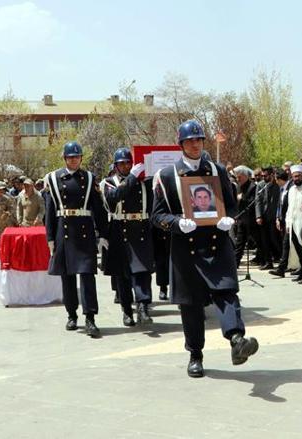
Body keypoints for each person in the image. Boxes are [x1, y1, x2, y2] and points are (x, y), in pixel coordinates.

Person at [152, 119, 258, 378]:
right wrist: (176, 223)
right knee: (190, 305)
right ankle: (195, 354)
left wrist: (229, 218)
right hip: (185, 246)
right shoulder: (167, 176)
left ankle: (236, 340)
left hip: (216, 242)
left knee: (227, 292)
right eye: (190, 141)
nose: (195, 145)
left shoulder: (217, 171)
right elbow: (156, 215)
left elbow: (230, 205)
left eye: (199, 140)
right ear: (181, 144)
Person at [45, 141, 108, 338]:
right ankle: (71, 314)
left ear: (81, 158)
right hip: (63, 232)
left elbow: (98, 208)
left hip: (84, 232)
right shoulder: (53, 178)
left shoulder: (89, 178)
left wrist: (103, 234)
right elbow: (49, 211)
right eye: (70, 157)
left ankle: (90, 317)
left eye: (77, 157)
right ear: (65, 158)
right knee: (67, 277)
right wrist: (50, 237)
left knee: (88, 276)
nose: (74, 160)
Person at [102, 147, 155, 326]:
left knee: (143, 271)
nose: (125, 166)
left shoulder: (143, 182)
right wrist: (132, 177)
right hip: (120, 229)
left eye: (128, 163)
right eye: (122, 163)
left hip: (140, 228)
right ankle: (126, 311)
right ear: (115, 166)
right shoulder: (109, 182)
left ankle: (143, 307)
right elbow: (114, 196)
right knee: (122, 275)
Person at [232, 165, 259, 267]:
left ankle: (264, 259)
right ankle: (235, 263)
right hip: (241, 219)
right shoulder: (238, 187)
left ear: (245, 176)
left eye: (239, 177)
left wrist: (242, 198)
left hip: (251, 220)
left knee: (258, 241)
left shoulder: (253, 186)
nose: (238, 179)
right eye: (237, 177)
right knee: (239, 242)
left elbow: (253, 202)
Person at [255, 167, 281, 270]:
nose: (263, 177)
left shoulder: (277, 184)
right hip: (264, 217)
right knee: (265, 241)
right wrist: (258, 216)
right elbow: (258, 201)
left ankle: (281, 259)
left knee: (275, 240)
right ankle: (268, 262)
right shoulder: (261, 185)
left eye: (265, 176)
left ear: (271, 175)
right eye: (262, 176)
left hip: (275, 217)